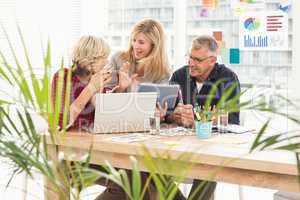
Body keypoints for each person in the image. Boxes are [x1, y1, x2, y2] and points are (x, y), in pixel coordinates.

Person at [96, 19, 185, 200]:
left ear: (154, 44)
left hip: (143, 137)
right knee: (144, 172)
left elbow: (163, 113)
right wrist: (121, 87)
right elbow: (104, 104)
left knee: (145, 171)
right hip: (115, 133)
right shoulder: (119, 59)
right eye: (134, 40)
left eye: (141, 42)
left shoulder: (162, 71)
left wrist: (161, 115)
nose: (135, 46)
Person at [169, 35, 241, 200]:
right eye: (190, 57)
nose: (191, 63)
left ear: (212, 60)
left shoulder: (228, 78)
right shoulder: (179, 75)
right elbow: (168, 114)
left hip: (212, 148)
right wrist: (176, 116)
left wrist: (197, 120)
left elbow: (232, 120)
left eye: (198, 60)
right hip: (179, 146)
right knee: (150, 168)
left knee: (208, 168)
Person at [51, 35, 112, 131]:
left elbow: (106, 122)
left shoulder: (97, 78)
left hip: (93, 140)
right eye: (104, 57)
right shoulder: (63, 77)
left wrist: (120, 88)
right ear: (91, 58)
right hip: (69, 141)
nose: (106, 62)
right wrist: (91, 88)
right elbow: (63, 122)